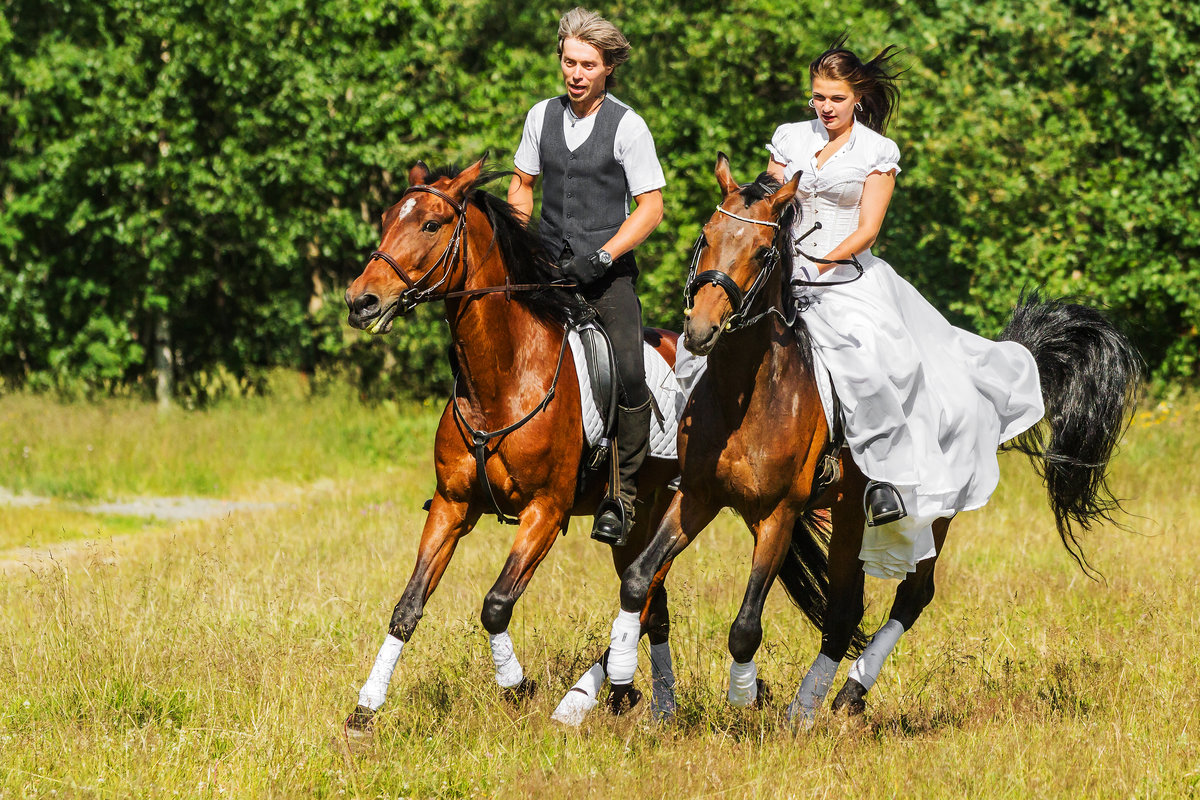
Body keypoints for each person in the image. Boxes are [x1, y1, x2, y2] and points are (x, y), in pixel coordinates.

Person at [764, 40, 1044, 580]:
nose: (825, 108)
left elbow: (867, 228)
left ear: (858, 97)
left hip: (846, 279)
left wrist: (818, 264)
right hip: (780, 273)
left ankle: (885, 481)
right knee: (712, 338)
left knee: (873, 360)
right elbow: (770, 198)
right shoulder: (790, 139)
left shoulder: (876, 151)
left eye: (836, 98)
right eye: (818, 97)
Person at [508, 7, 666, 546]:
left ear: (608, 68)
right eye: (568, 62)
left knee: (629, 370)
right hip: (546, 268)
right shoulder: (539, 116)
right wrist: (524, 244)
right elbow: (522, 186)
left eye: (587, 65)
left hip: (606, 276)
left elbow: (650, 208)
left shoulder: (629, 125)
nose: (575, 74)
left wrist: (602, 257)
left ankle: (622, 497)